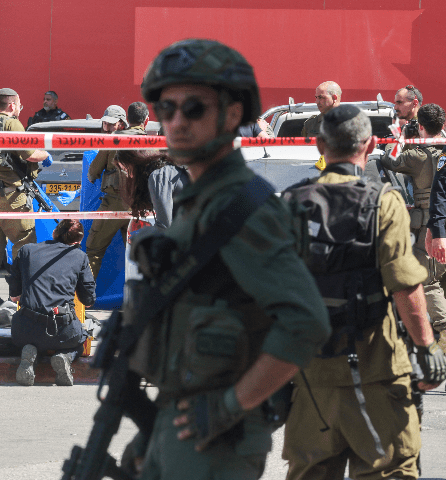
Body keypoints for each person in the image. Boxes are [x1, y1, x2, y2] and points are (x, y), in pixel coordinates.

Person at [128, 38, 331, 480]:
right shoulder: (196, 202)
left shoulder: (242, 208)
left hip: (218, 438)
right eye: (167, 109)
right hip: (177, 415)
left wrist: (227, 408)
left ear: (233, 115)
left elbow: (306, 322)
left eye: (195, 108)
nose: (177, 122)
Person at [282, 105, 446, 479]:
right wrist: (426, 347)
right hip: (377, 374)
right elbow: (406, 286)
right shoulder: (383, 202)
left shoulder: (291, 203)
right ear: (372, 144)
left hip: (312, 381)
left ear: (320, 145)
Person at [0, 87, 51, 307]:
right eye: (19, 105)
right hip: (13, 197)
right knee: (23, 243)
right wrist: (46, 154)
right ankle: (19, 293)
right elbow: (30, 154)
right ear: (12, 105)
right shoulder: (12, 124)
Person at [381, 103, 446, 335]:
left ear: (420, 126)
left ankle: (441, 327)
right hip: (439, 218)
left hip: (432, 224)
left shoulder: (419, 154)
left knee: (428, 279)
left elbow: (390, 160)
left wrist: (399, 139)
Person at [8, 219, 95, 386]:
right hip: (63, 329)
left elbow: (14, 295)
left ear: (55, 232)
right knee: (81, 338)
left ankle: (31, 354)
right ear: (77, 242)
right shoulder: (79, 256)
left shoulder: (27, 250)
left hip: (26, 328)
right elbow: (88, 299)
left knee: (30, 341)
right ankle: (64, 357)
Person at [85, 103, 140, 278]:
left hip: (114, 204)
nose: (107, 128)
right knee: (136, 255)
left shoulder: (111, 141)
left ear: (122, 124)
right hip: (138, 205)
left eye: (111, 124)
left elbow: (92, 173)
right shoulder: (144, 139)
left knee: (93, 249)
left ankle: (82, 301)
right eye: (105, 124)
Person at [116, 150, 189, 229]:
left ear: (135, 161)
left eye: (126, 169)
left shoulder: (158, 176)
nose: (128, 175)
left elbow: (164, 224)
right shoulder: (168, 170)